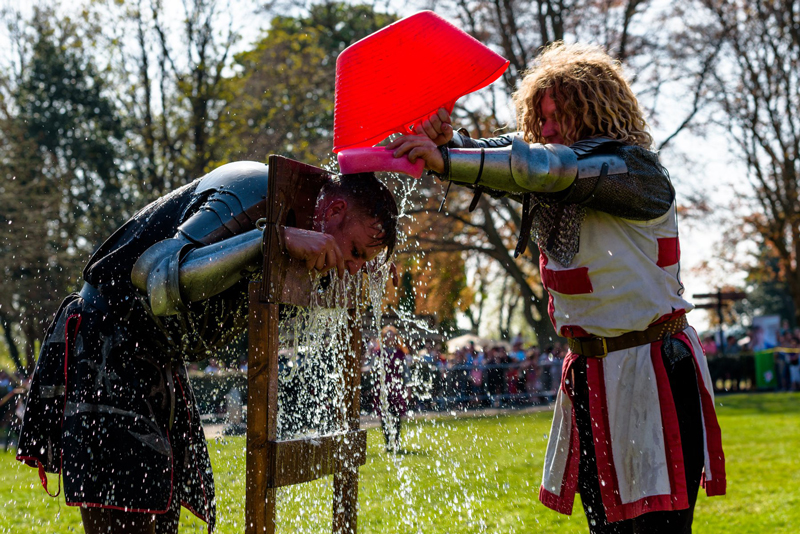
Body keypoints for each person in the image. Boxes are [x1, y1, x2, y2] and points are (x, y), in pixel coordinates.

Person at [390, 42, 725, 533]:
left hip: (653, 367)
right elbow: (521, 160)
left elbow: (541, 167)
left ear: (594, 112)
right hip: (590, 373)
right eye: (541, 118)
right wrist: (448, 144)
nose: (545, 129)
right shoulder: (550, 174)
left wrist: (447, 158)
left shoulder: (639, 171)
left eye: (558, 117)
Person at [15, 161, 398, 534]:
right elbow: (157, 275)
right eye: (356, 252)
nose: (353, 268)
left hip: (158, 359)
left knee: (160, 517)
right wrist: (271, 240)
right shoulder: (253, 189)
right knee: (128, 514)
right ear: (334, 210)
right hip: (106, 343)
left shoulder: (314, 234)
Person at [373, 325, 408, 452]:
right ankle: (388, 443)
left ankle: (396, 443)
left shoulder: (400, 353)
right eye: (387, 335)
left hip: (396, 388)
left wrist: (407, 386)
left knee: (397, 416)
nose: (389, 338)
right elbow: (373, 369)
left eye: (391, 335)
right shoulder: (379, 352)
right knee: (384, 416)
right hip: (382, 388)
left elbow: (406, 372)